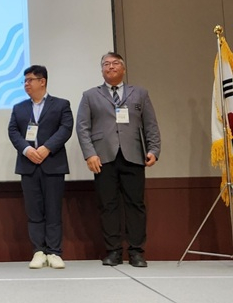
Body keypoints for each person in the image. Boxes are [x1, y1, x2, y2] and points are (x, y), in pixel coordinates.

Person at [76, 52, 161, 268]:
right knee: (108, 205)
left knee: (136, 205)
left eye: (115, 63)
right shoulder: (90, 95)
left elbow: (150, 124)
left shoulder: (140, 93)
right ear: (101, 70)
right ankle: (113, 251)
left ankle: (136, 252)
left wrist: (154, 149)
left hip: (134, 156)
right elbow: (82, 127)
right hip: (103, 158)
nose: (111, 67)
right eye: (106, 64)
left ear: (123, 68)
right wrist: (90, 154)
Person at [8, 65, 73, 270]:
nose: (26, 84)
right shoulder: (19, 108)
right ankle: (38, 251)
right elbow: (13, 132)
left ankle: (54, 252)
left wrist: (47, 148)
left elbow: (66, 128)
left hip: (52, 164)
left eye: (30, 80)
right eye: (25, 81)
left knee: (53, 209)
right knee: (34, 211)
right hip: (28, 165)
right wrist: (27, 150)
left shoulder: (61, 104)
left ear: (42, 81)